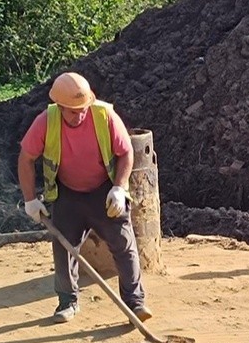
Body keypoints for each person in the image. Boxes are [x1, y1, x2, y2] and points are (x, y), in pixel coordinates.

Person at [18, 72, 152, 324]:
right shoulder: (46, 122)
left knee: (123, 243)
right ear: (60, 106)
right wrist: (30, 199)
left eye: (83, 109)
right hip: (68, 193)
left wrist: (119, 187)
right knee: (63, 246)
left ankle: (135, 302)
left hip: (104, 190)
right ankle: (67, 302)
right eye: (72, 111)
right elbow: (26, 158)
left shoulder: (104, 116)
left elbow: (125, 153)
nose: (79, 115)